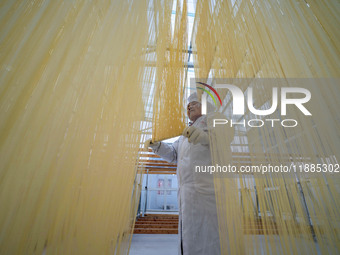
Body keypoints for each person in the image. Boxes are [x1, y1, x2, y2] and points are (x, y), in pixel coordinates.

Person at [144, 93, 221, 255]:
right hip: (186, 193)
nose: (189, 107)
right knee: (189, 235)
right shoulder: (184, 134)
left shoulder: (216, 121)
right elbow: (173, 154)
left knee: (209, 236)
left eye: (194, 103)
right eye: (188, 105)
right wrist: (157, 146)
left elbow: (223, 138)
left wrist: (202, 136)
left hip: (207, 192)